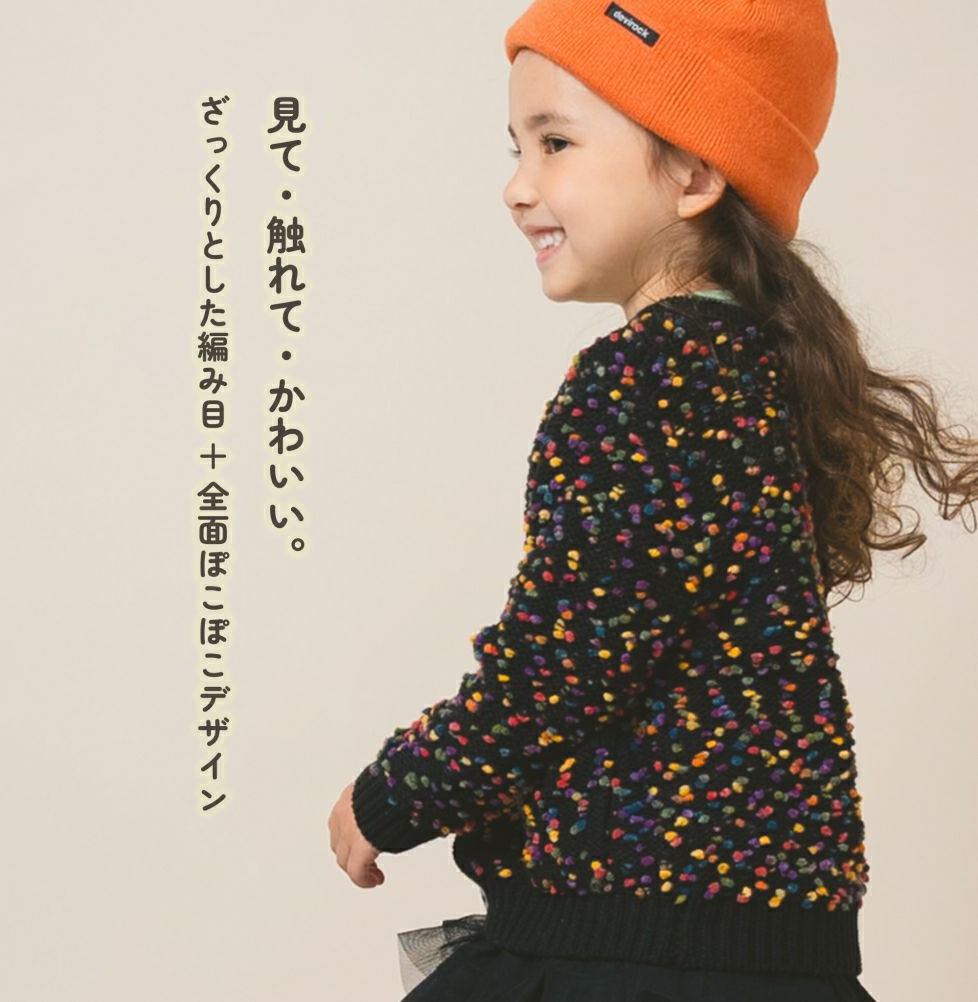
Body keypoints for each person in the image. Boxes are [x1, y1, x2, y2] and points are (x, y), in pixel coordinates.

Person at [327, 1, 978, 999]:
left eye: (555, 143)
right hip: (755, 943)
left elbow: (562, 661)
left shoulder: (647, 379)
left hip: (632, 943)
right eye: (516, 147)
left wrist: (392, 794)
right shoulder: (753, 371)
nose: (517, 186)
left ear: (695, 174)